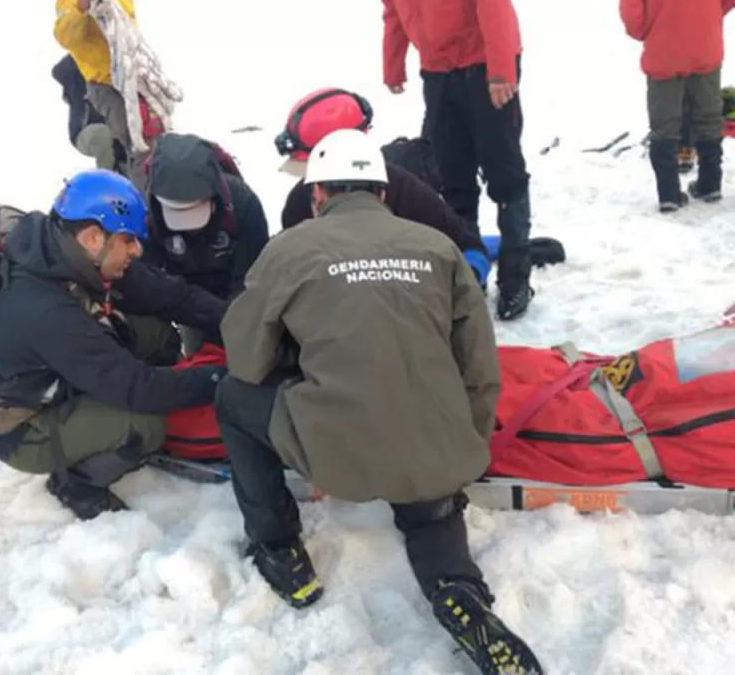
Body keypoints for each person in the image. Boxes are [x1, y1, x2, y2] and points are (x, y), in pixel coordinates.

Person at [214, 129, 543, 674]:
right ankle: (459, 589)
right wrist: (466, 441)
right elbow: (480, 367)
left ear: (316, 196)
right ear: (383, 193)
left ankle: (278, 546)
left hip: (337, 454)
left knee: (230, 397)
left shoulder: (290, 249)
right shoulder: (437, 248)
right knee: (429, 505)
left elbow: (245, 361)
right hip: (436, 449)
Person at [0, 169, 228, 519]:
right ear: (94, 238)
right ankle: (75, 483)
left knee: (154, 326)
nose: (138, 251)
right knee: (146, 423)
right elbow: (138, 390)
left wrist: (244, 325)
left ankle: (99, 414)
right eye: (130, 241)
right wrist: (223, 377)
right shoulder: (43, 308)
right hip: (25, 428)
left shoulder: (72, 255)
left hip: (57, 371)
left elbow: (173, 297)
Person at [381, 0, 535, 321]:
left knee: (504, 173)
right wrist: (393, 63)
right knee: (452, 175)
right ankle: (467, 272)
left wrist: (500, 69)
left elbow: (494, 5)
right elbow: (394, 11)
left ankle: (515, 275)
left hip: (483, 63)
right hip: (437, 69)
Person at [275, 87, 493, 290]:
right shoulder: (299, 205)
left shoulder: (403, 191)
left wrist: (466, 284)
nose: (315, 192)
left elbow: (470, 247)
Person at [620, 0, 735, 212]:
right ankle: (710, 183)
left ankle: (669, 194)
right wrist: (710, 13)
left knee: (664, 124)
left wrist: (651, 27)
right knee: (708, 117)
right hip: (705, 40)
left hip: (664, 46)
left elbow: (632, 15)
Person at [53, 0, 171, 190]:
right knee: (138, 146)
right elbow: (66, 37)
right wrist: (82, 4)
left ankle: (165, 194)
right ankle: (143, 206)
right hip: (106, 84)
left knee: (158, 139)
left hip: (136, 76)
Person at [145, 133, 271, 302]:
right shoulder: (149, 215)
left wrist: (231, 318)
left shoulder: (243, 204)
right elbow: (149, 276)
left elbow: (254, 277)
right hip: (185, 299)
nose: (189, 228)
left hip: (237, 294)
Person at [52, 54, 123, 171]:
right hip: (84, 131)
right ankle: (106, 181)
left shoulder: (112, 79)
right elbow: (58, 71)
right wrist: (82, 52)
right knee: (103, 135)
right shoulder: (79, 80)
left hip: (115, 133)